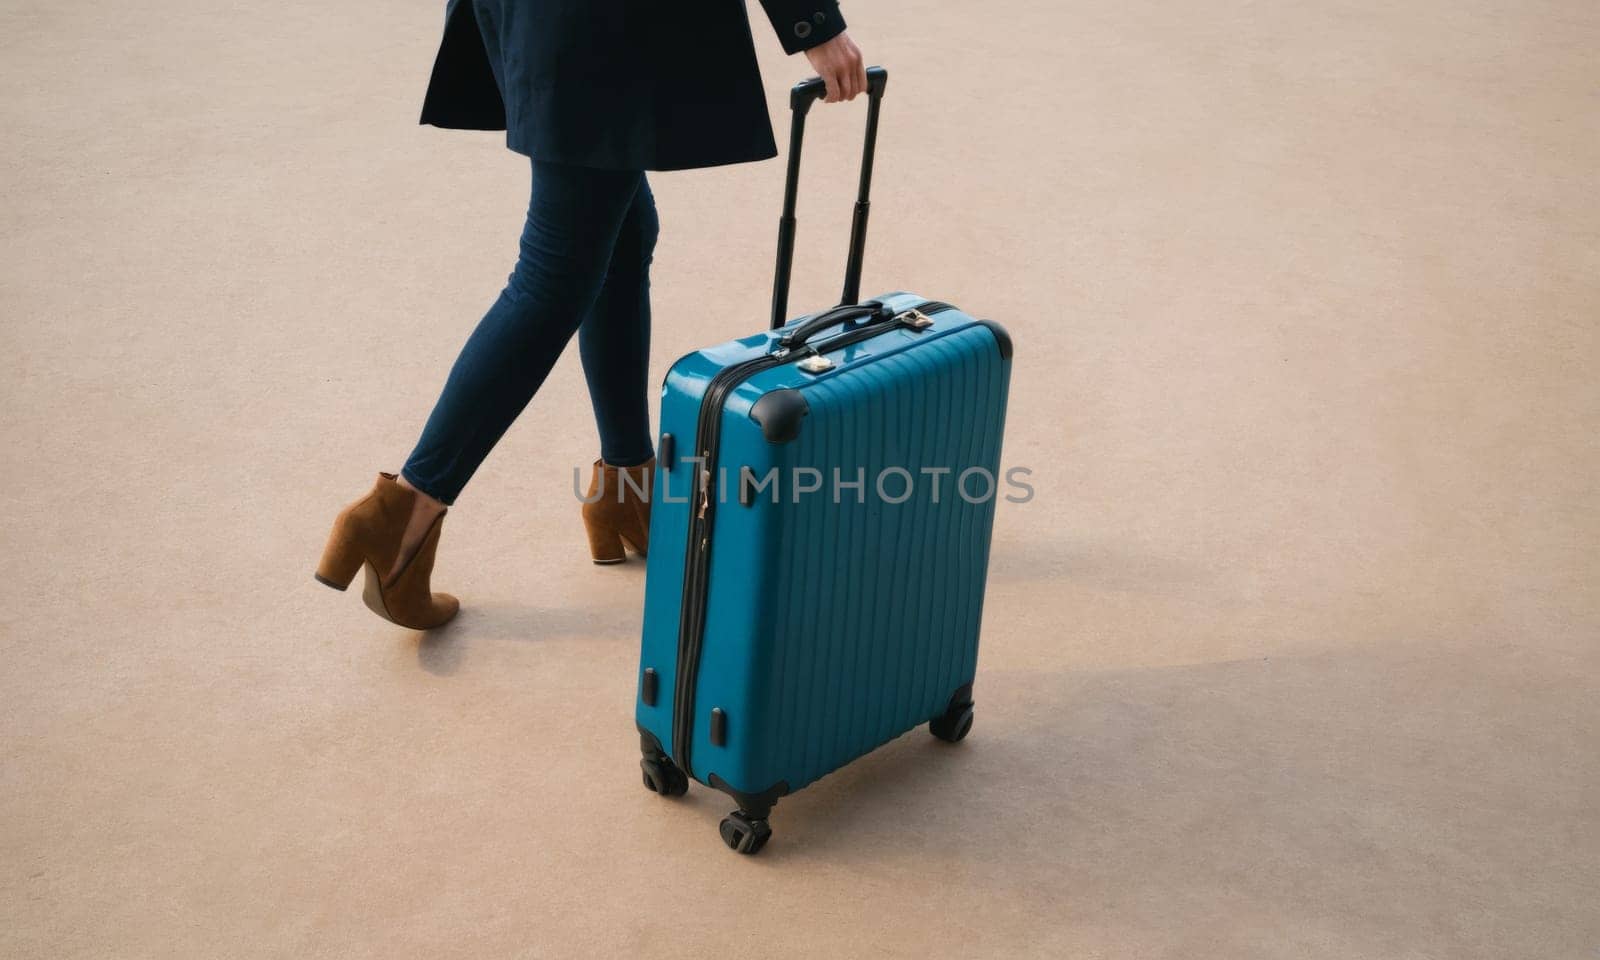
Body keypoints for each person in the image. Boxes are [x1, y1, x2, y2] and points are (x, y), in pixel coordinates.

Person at [314, 1, 868, 629]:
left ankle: (626, 490)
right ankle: (403, 513)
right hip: (599, 24)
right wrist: (813, 24)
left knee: (620, 231)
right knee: (557, 271)